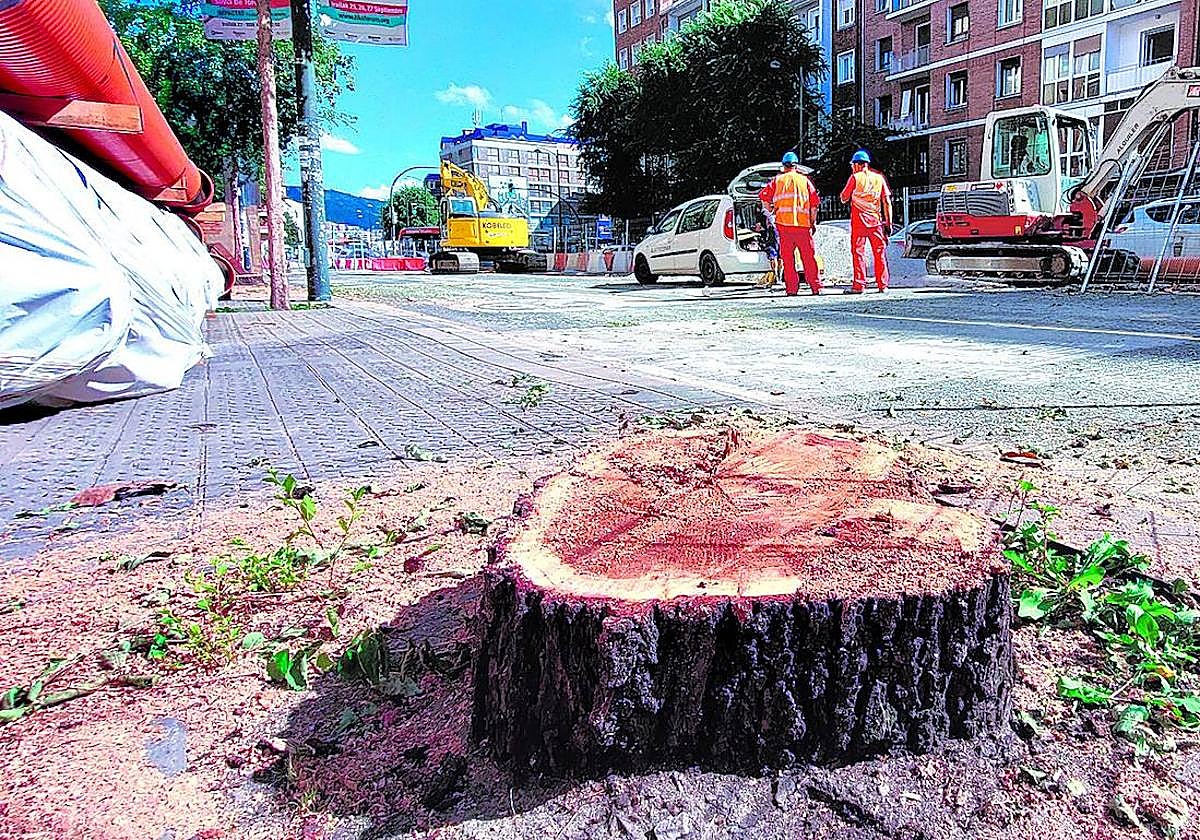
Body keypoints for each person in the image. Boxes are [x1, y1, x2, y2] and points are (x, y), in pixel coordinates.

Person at [758, 151, 822, 296]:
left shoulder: (777, 180)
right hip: (803, 225)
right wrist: (813, 222)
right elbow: (814, 205)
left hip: (783, 225)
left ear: (784, 166)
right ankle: (816, 287)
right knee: (809, 258)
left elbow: (763, 197)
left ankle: (792, 289)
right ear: (796, 166)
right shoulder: (805, 181)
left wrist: (771, 212)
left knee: (788, 260)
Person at [839, 149, 891, 294]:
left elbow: (843, 198)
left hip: (859, 222)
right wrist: (889, 222)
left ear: (856, 165)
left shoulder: (855, 178)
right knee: (879, 253)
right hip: (876, 221)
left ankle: (859, 286)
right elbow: (887, 201)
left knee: (858, 253)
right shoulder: (879, 178)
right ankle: (883, 285)